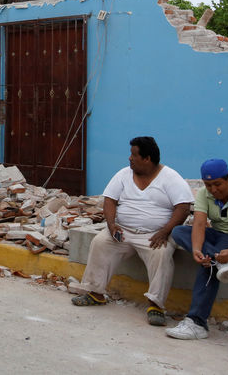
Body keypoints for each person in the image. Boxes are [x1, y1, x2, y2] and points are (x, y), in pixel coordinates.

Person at [70, 136, 193, 326]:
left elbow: (183, 207)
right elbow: (110, 200)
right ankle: (95, 293)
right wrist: (111, 225)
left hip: (154, 235)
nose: (129, 158)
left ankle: (155, 305)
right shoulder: (123, 174)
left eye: (134, 155)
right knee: (100, 243)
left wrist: (165, 231)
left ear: (147, 159)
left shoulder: (170, 178)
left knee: (161, 255)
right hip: (123, 231)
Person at [166, 159, 228, 340]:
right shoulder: (204, 194)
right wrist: (197, 249)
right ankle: (220, 263)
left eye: (217, 184)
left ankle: (197, 323)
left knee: (208, 265)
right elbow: (198, 224)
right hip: (219, 238)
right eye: (208, 185)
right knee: (179, 231)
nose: (213, 190)